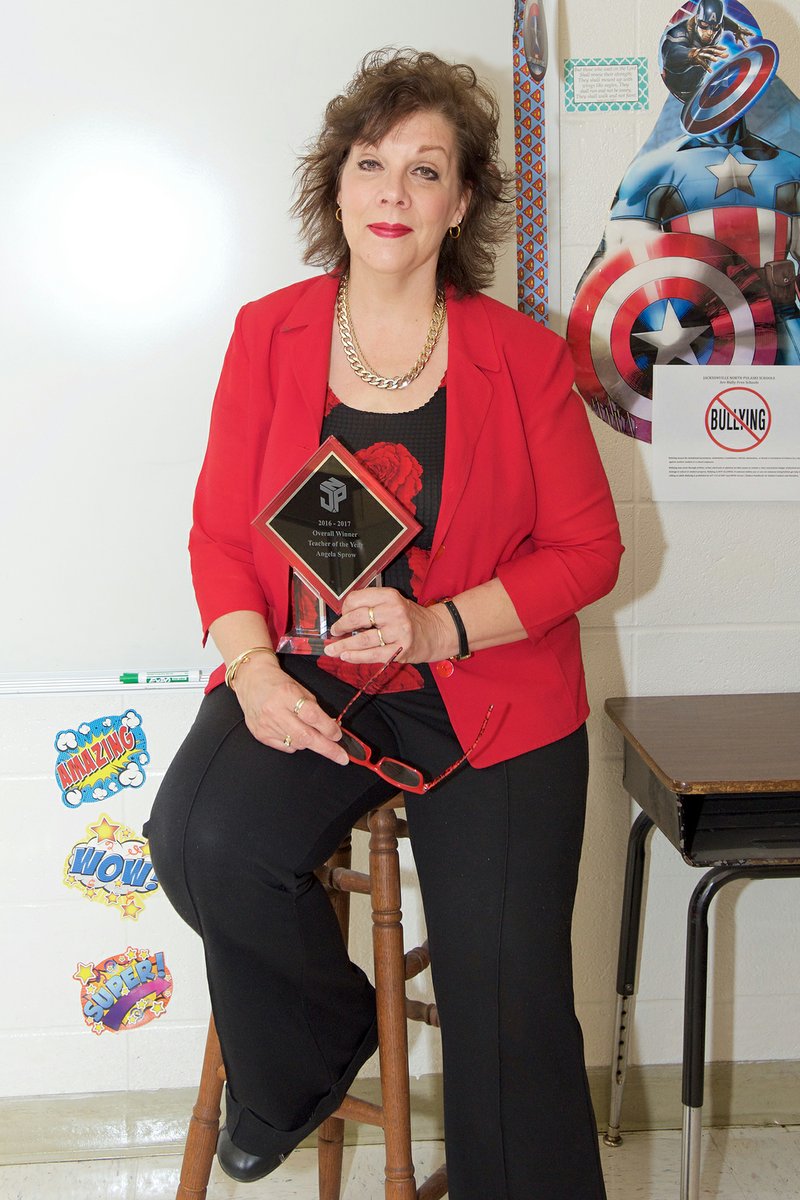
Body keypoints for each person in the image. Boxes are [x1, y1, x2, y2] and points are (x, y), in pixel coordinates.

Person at [145, 48, 622, 1200]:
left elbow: (587, 553)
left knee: (503, 998)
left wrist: (437, 628)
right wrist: (253, 671)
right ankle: (310, 1057)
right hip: (310, 669)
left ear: (459, 203)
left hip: (487, 682)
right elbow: (219, 537)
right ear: (338, 186)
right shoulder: (270, 332)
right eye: (371, 165)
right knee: (202, 842)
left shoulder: (518, 353)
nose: (393, 192)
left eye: (424, 169)